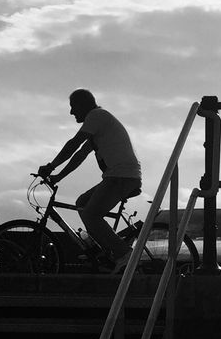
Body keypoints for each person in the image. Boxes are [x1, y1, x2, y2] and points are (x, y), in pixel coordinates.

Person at [37, 89, 142, 271]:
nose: (71, 112)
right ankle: (101, 247)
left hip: (122, 176)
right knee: (82, 203)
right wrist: (58, 177)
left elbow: (73, 144)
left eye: (73, 107)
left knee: (91, 215)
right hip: (118, 175)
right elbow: (79, 156)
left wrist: (51, 165)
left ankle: (124, 254)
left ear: (83, 105)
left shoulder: (96, 116)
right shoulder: (98, 122)